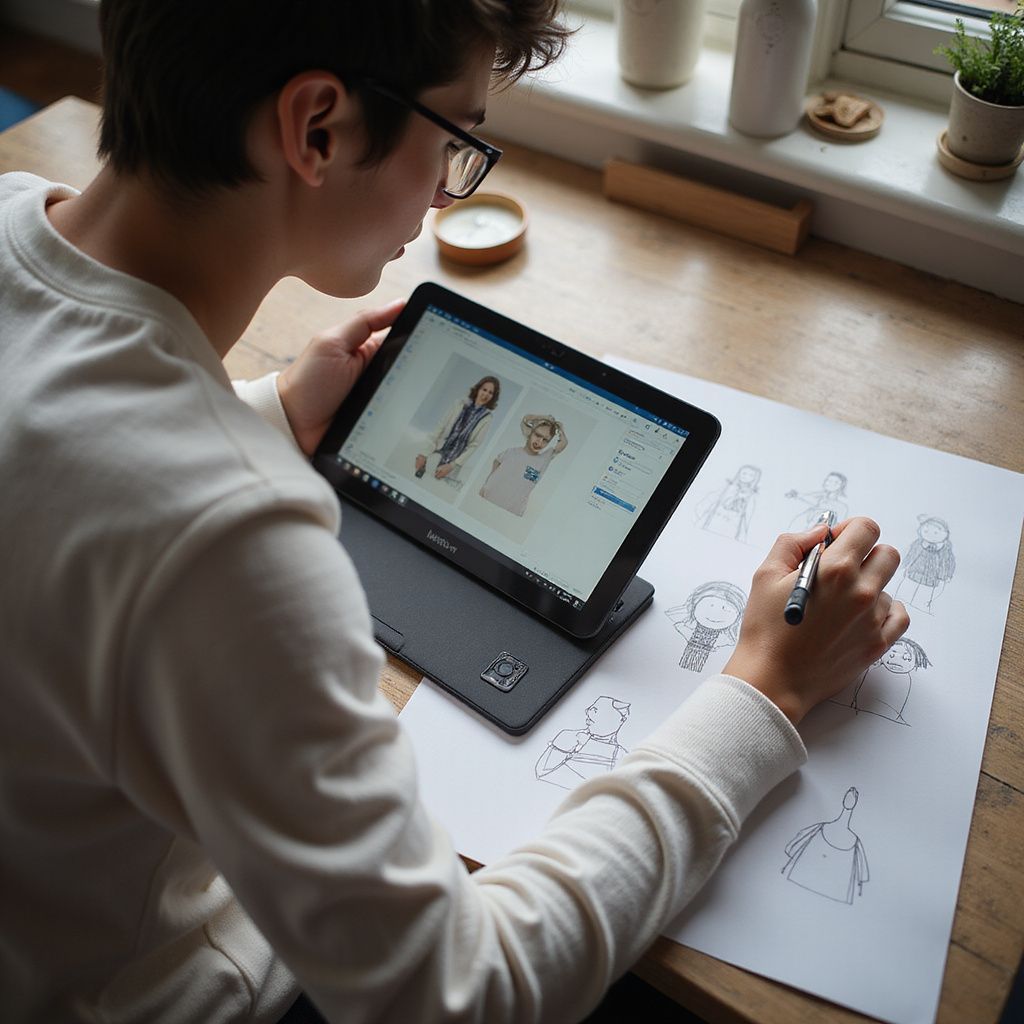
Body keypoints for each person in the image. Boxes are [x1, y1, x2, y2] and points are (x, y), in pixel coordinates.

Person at [0, 2, 910, 1022]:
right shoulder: (228, 542)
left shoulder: (11, 213)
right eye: (455, 141)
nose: (445, 190)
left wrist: (270, 415)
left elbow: (72, 474)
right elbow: (458, 994)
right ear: (319, 128)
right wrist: (762, 694)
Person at [478, 412, 568, 516]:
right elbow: (496, 463)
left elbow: (564, 443)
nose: (539, 442)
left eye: (545, 440)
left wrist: (560, 429)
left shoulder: (544, 459)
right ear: (530, 433)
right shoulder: (512, 452)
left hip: (511, 512)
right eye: (538, 435)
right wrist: (486, 486)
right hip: (489, 501)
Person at [414, 375, 500, 482]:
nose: (486, 394)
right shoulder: (459, 404)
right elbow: (440, 427)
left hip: (453, 462)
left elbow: (474, 445)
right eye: (484, 389)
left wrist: (452, 465)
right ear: (478, 389)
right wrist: (424, 453)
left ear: (493, 397)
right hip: (436, 449)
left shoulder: (487, 418)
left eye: (490, 393)